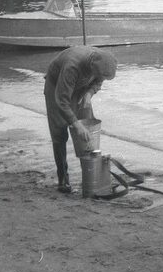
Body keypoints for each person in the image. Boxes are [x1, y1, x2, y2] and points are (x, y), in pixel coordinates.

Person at [44, 46, 117, 193]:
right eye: (99, 75)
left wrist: (89, 94)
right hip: (56, 88)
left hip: (80, 88)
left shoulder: (104, 61)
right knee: (59, 132)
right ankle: (63, 179)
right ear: (91, 67)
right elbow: (62, 101)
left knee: (89, 130)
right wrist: (76, 124)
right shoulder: (72, 66)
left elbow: (98, 80)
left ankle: (91, 178)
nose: (101, 79)